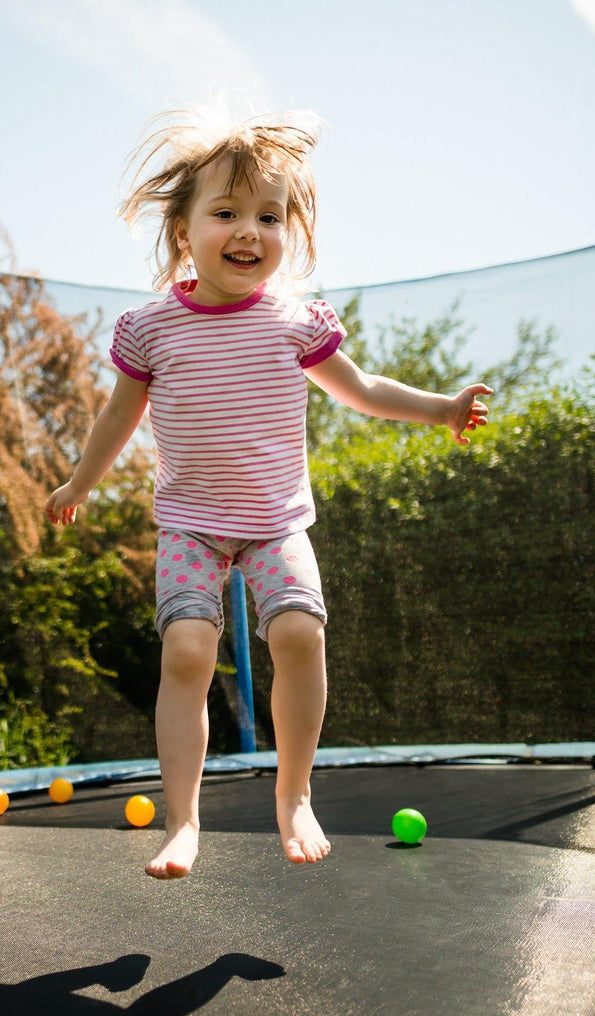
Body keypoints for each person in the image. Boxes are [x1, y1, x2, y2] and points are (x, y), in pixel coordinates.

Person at [44, 110, 491, 879]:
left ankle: (294, 794)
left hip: (275, 524)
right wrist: (80, 481)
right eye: (225, 213)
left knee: (299, 637)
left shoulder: (293, 322)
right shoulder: (152, 329)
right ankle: (183, 821)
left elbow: (364, 390)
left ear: (289, 231)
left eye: (268, 216)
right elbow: (121, 414)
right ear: (183, 230)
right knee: (186, 649)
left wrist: (443, 407)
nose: (248, 230)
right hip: (189, 524)